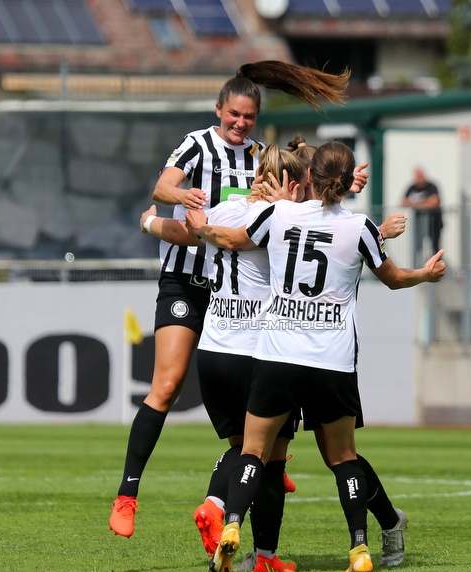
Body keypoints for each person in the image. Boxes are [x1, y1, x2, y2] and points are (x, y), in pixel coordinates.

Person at [109, 61, 350, 539]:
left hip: (238, 296)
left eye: (248, 117)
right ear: (219, 110)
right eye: (233, 115)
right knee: (168, 383)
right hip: (186, 281)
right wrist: (181, 196)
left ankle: (257, 471)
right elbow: (160, 189)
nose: (239, 124)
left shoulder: (261, 155)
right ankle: (127, 494)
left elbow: (299, 192)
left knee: (263, 398)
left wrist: (343, 188)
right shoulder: (199, 144)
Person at [188, 142, 445, 572]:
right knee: (343, 458)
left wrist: (200, 227)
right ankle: (360, 548)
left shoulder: (281, 215)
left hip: (278, 354)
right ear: (346, 185)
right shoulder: (361, 226)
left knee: (254, 452)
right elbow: (394, 278)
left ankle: (232, 525)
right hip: (331, 359)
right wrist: (426, 273)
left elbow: (232, 238)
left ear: (309, 178)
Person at [401, 168, 442, 267]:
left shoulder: (432, 186)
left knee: (434, 247)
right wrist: (424, 203)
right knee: (417, 247)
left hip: (434, 223)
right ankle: (416, 268)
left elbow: (435, 202)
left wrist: (416, 204)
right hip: (418, 224)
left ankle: (437, 268)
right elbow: (404, 201)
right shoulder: (412, 187)